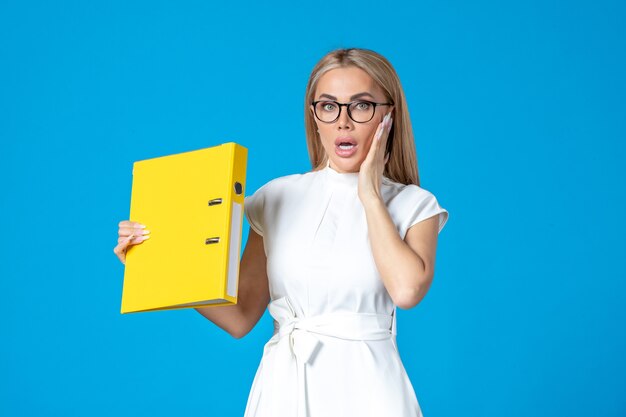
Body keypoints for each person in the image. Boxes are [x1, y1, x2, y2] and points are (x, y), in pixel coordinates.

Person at [114, 47, 449, 417]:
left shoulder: (414, 205)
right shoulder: (276, 197)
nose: (344, 122)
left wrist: (369, 193)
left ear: (388, 116)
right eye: (328, 106)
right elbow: (240, 317)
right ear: (314, 117)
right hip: (283, 389)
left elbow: (405, 290)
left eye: (362, 105)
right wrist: (153, 261)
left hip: (369, 390)